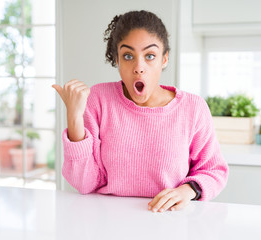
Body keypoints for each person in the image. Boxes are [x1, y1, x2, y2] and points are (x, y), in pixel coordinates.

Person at [53, 10, 228, 213]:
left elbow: (214, 170)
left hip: (169, 221)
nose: (139, 67)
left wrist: (187, 191)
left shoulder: (193, 108)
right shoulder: (99, 100)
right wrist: (74, 117)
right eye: (128, 56)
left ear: (164, 59)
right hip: (106, 221)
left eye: (150, 56)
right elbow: (85, 184)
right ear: (117, 60)